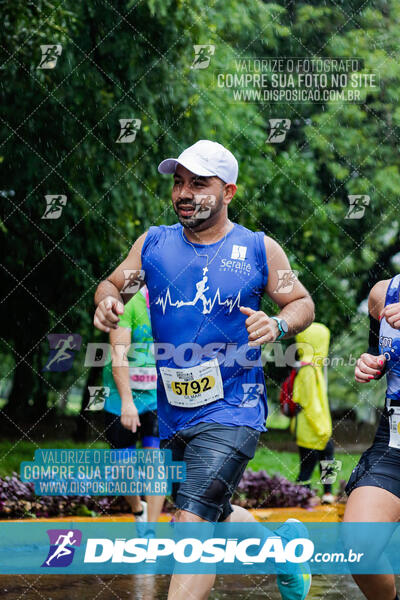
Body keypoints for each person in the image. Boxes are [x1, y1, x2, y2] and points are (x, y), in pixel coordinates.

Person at [93, 139, 315, 600]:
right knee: (211, 510)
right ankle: (283, 552)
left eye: (199, 183)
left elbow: (302, 303)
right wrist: (108, 301)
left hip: (233, 410)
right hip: (174, 413)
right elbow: (114, 283)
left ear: (228, 192)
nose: (184, 192)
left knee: (191, 528)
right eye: (178, 182)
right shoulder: (153, 244)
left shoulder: (258, 250)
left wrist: (277, 323)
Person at [344, 275, 400, 600]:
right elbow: (377, 354)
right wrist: (369, 364)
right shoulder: (383, 294)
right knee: (360, 546)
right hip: (393, 444)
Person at [103, 285, 164, 525]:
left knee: (155, 463)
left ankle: (151, 532)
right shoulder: (127, 303)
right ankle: (139, 509)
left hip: (155, 398)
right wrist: (128, 403)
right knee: (122, 469)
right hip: (121, 398)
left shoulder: (175, 303)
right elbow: (118, 355)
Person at [291, 322, 336, 504]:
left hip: (309, 427)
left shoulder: (307, 367)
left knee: (321, 460)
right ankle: (302, 497)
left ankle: (321, 494)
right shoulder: (309, 370)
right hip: (313, 429)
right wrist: (322, 429)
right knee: (311, 465)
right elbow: (312, 405)